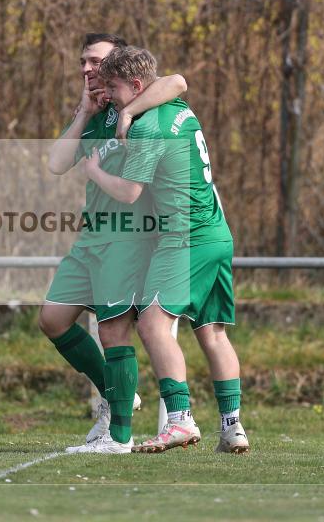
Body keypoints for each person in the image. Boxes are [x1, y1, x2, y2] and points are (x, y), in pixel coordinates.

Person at [84, 45, 249, 454]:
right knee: (211, 333)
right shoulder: (179, 107)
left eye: (116, 89)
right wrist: (124, 111)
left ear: (137, 87)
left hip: (184, 238)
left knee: (153, 325)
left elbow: (130, 192)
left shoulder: (146, 128)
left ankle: (180, 419)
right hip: (217, 234)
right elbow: (173, 81)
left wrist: (95, 172)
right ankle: (232, 427)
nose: (111, 98)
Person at [42, 33, 188, 454]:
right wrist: (84, 112)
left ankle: (118, 433)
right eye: (83, 63)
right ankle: (116, 390)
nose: (89, 70)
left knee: (113, 329)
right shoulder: (93, 110)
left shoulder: (136, 101)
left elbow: (177, 81)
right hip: (92, 236)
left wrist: (130, 112)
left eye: (96, 62)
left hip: (127, 236)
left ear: (120, 64)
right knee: (52, 319)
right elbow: (55, 163)